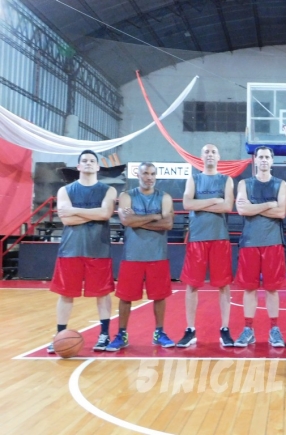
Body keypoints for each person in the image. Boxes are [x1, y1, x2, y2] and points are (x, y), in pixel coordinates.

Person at [48, 150, 117, 353]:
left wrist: (75, 211)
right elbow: (66, 219)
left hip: (99, 248)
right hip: (71, 249)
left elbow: (105, 214)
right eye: (84, 161)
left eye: (92, 161)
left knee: (102, 294)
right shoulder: (65, 190)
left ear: (97, 166)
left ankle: (104, 334)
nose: (88, 163)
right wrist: (94, 214)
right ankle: (60, 335)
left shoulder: (108, 190)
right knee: (66, 294)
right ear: (78, 167)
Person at [106, 163, 175, 351]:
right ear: (138, 174)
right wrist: (155, 216)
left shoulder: (165, 197)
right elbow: (126, 220)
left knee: (159, 296)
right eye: (145, 173)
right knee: (125, 297)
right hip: (132, 255)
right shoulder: (127, 196)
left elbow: (168, 223)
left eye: (152, 174)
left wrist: (138, 220)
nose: (149, 177)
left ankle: (159, 332)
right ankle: (121, 334)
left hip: (157, 255)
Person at [177, 144, 235, 347]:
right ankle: (190, 329)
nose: (210, 154)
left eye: (213, 151)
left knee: (223, 285)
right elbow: (187, 204)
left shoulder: (226, 179)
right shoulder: (194, 178)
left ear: (218, 156)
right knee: (192, 284)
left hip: (219, 238)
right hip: (197, 239)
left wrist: (200, 203)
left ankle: (225, 328)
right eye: (206, 152)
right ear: (201, 157)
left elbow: (227, 206)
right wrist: (213, 200)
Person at [233, 146, 286, 347]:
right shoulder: (244, 184)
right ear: (255, 160)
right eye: (260, 157)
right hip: (249, 242)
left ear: (272, 161)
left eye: (267, 157)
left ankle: (274, 329)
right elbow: (242, 209)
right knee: (249, 289)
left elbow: (281, 212)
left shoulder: (281, 184)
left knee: (272, 289)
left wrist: (254, 208)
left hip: (273, 242)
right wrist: (269, 205)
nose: (264, 160)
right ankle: (248, 329)